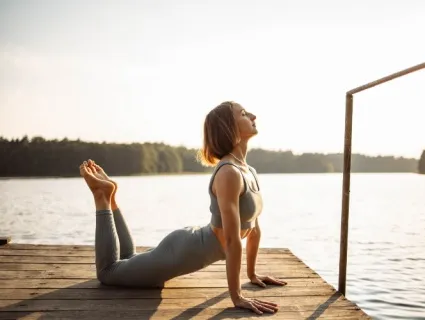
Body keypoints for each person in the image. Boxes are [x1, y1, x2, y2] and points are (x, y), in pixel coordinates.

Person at [79, 101, 287, 315]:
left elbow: (254, 228)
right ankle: (101, 197)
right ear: (229, 128)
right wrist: (237, 296)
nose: (253, 116)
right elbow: (233, 240)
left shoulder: (248, 170)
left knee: (129, 258)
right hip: (179, 253)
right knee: (108, 272)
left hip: (189, 242)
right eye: (244, 114)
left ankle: (110, 196)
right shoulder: (229, 173)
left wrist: (252, 275)